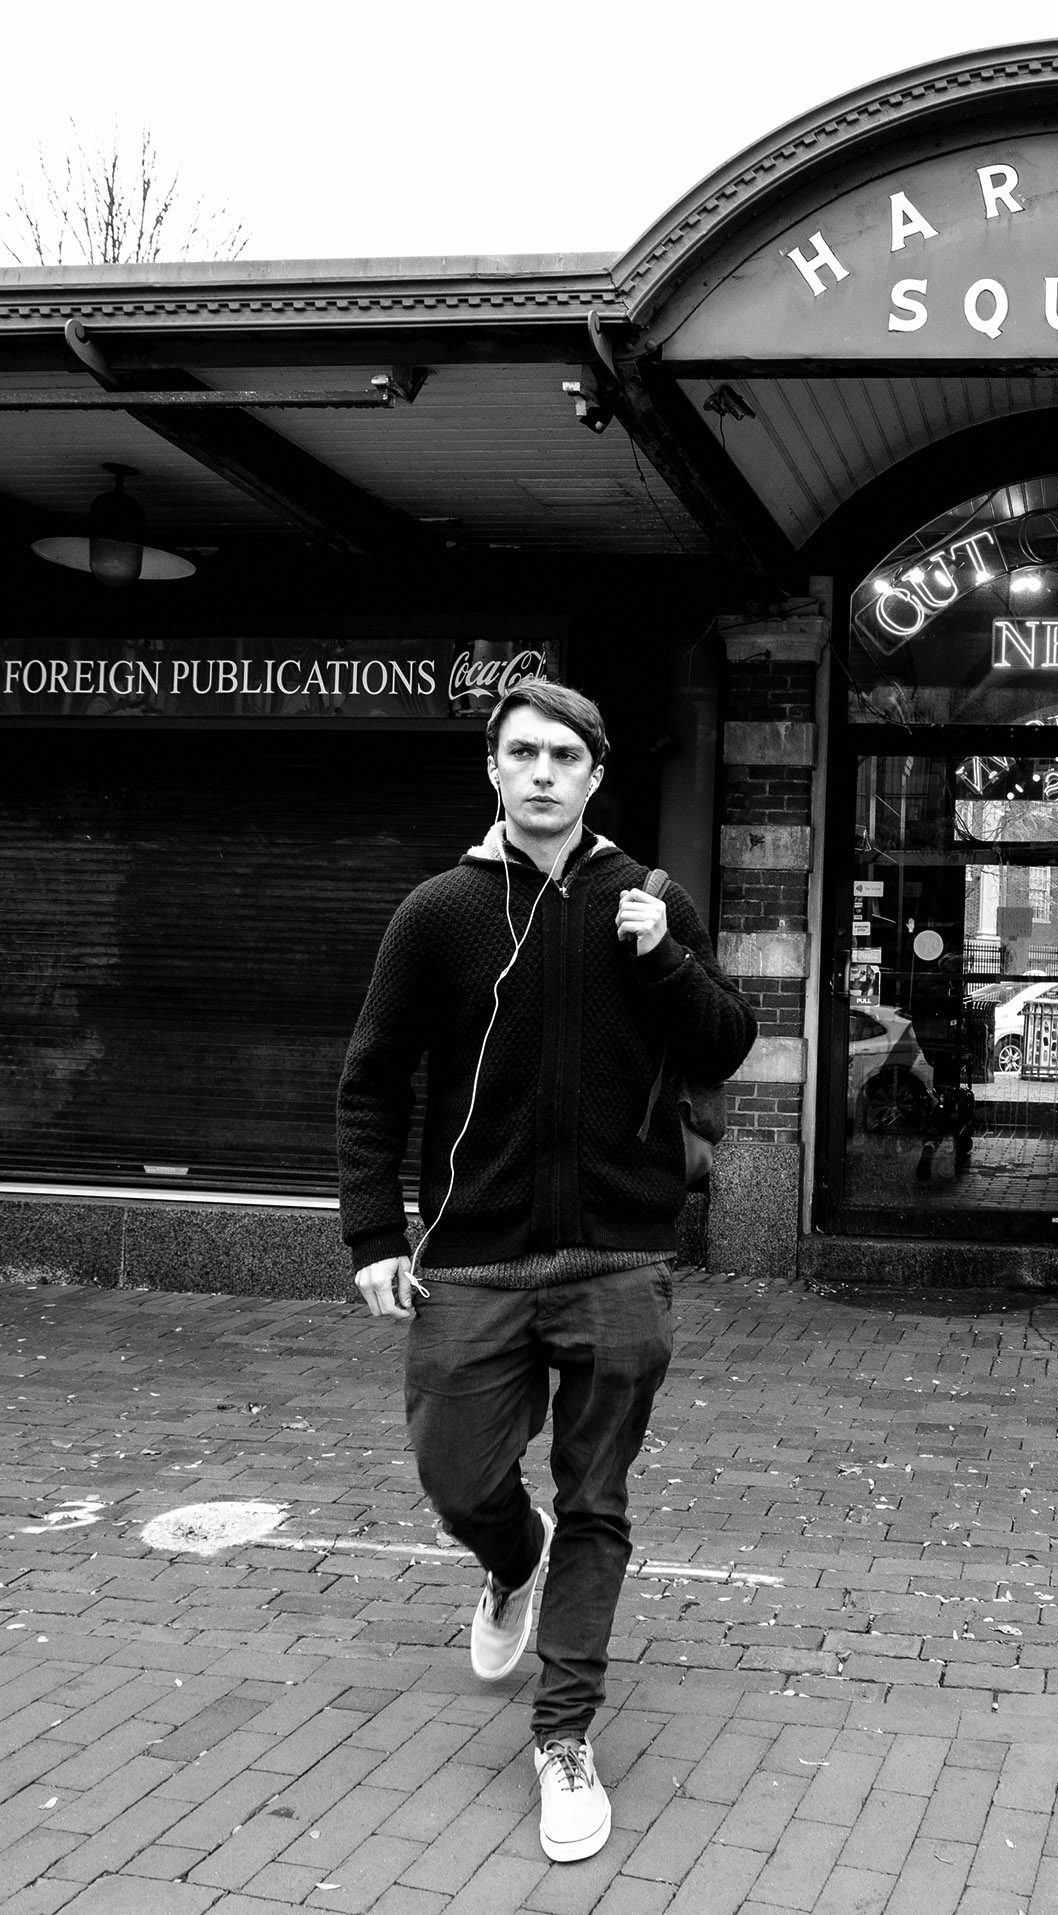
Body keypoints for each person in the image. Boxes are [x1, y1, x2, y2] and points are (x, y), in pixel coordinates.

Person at [337, 677, 754, 1863]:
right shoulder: (439, 911)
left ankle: (562, 1737)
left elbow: (727, 1039)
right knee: (457, 1476)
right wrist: (374, 1234)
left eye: (563, 755)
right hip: (472, 1260)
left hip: (621, 1256)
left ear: (594, 773)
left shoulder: (648, 899)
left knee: (598, 1502)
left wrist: (666, 956)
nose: (540, 773)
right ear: (492, 769)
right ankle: (505, 1562)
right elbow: (372, 1079)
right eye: (520, 753)